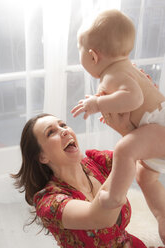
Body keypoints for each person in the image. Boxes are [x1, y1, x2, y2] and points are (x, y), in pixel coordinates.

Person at [71, 9, 165, 243]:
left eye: (79, 52)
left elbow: (134, 99)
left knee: (125, 149)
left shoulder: (113, 75)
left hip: (159, 126)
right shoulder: (124, 68)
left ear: (93, 56)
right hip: (153, 127)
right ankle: (162, 214)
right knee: (145, 175)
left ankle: (114, 197)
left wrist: (97, 103)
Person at [11, 112, 147, 247]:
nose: (64, 131)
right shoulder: (49, 202)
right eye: (51, 132)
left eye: (63, 125)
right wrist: (125, 152)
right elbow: (101, 218)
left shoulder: (97, 161)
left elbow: (145, 157)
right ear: (42, 157)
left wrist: (127, 129)